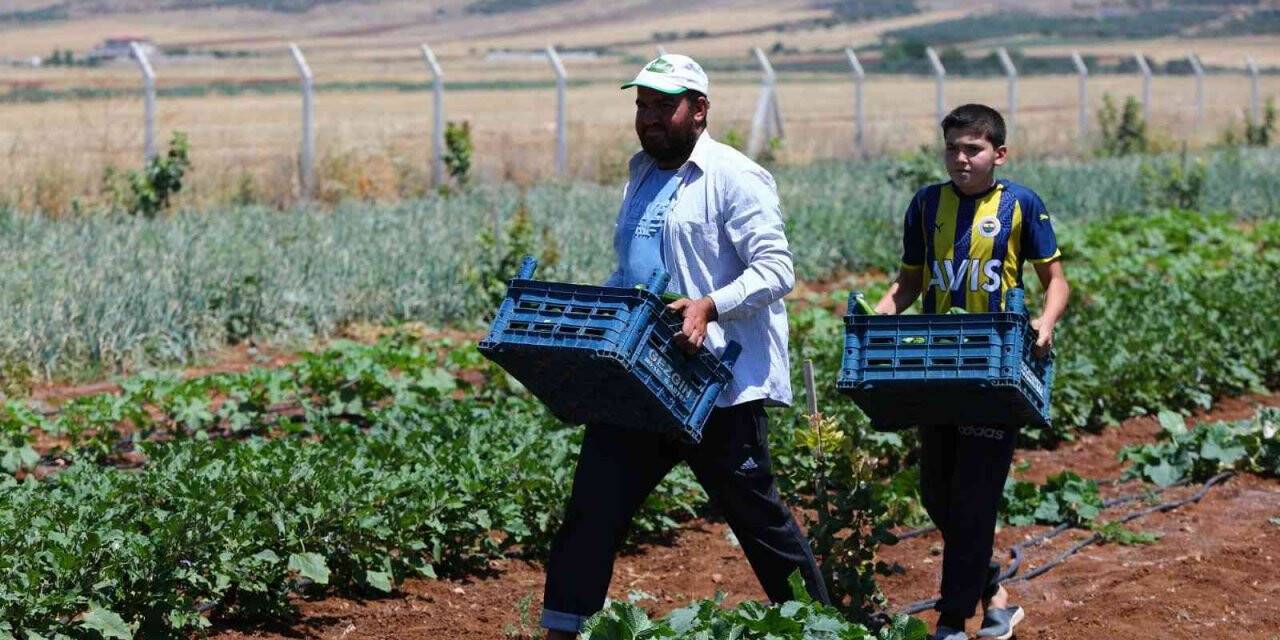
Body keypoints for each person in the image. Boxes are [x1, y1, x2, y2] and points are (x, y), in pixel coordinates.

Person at [540, 54, 830, 639]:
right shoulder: (642, 173)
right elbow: (635, 270)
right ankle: (562, 630)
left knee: (760, 521)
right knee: (593, 508)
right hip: (641, 377)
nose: (649, 117)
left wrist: (708, 305)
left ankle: (823, 628)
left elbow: (776, 269)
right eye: (642, 105)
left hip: (713, 383)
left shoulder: (735, 176)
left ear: (699, 110)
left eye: (663, 105)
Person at [874, 104, 1071, 640]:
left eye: (973, 149)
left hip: (995, 368)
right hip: (937, 364)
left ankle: (952, 619)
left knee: (975, 497)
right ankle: (995, 594)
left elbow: (1056, 280)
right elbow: (909, 283)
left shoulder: (1021, 204)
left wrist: (1046, 321)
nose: (960, 159)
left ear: (998, 154)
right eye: (952, 149)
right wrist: (880, 314)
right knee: (936, 493)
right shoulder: (925, 205)